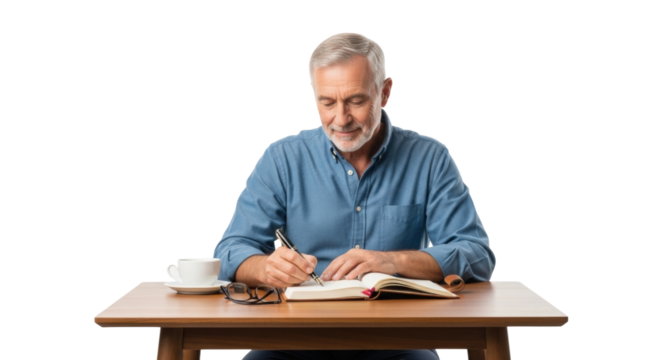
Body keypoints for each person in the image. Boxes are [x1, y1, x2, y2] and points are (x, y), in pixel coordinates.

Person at [213, 31, 497, 360]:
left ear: (385, 92)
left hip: (398, 341)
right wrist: (264, 268)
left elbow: (477, 255)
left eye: (356, 101)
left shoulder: (430, 158)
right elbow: (231, 250)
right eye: (327, 102)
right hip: (292, 339)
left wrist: (393, 261)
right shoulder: (282, 158)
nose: (341, 119)